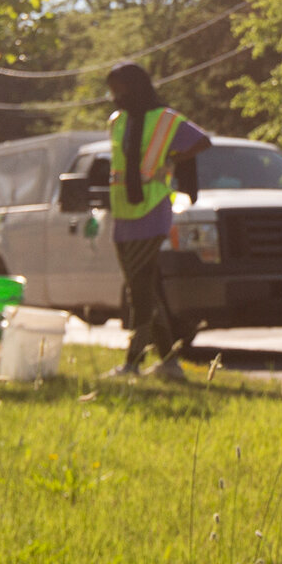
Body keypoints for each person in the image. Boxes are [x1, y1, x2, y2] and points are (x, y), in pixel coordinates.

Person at [105, 62, 209, 382]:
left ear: (135, 86)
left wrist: (171, 160)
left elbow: (202, 141)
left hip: (152, 211)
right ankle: (169, 362)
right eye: (112, 89)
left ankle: (133, 362)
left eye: (119, 88)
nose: (115, 96)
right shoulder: (117, 121)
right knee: (145, 287)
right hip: (123, 212)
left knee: (139, 291)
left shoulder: (165, 119)